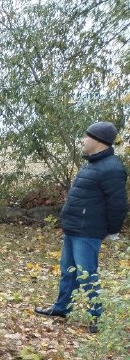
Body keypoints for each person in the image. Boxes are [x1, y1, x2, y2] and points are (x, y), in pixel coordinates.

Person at [34, 122, 127, 333]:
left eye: (86, 137)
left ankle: (97, 318)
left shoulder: (112, 168)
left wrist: (112, 231)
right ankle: (61, 308)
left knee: (87, 275)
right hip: (74, 228)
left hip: (89, 231)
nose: (83, 141)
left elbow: (118, 205)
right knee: (68, 272)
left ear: (99, 140)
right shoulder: (92, 164)